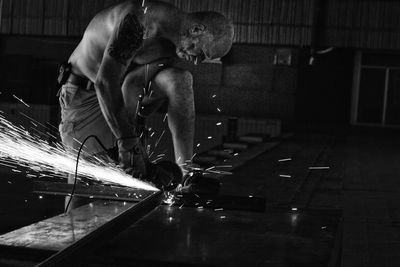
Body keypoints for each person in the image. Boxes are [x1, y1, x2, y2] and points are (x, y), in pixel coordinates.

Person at [57, 0, 234, 210]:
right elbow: (105, 83)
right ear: (196, 30)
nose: (197, 62)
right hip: (87, 95)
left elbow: (133, 83)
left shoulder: (175, 46)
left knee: (181, 80)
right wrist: (127, 141)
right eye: (202, 53)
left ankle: (187, 172)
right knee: (84, 184)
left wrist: (133, 132)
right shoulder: (138, 21)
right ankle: (69, 235)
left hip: (120, 92)